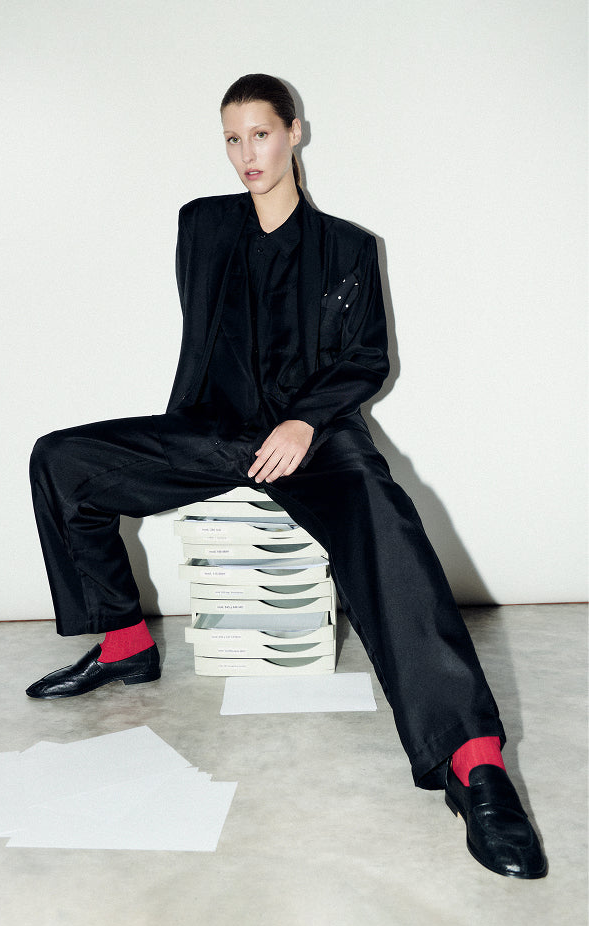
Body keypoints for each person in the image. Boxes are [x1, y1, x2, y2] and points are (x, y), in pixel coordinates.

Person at [27, 74, 546, 879]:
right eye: (232, 139)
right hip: (214, 433)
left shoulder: (347, 248)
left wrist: (304, 421)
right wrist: (210, 426)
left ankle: (473, 764)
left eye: (261, 134)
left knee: (386, 522)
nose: (247, 154)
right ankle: (126, 643)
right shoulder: (202, 226)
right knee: (61, 460)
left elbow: (366, 359)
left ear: (295, 132)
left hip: (317, 439)